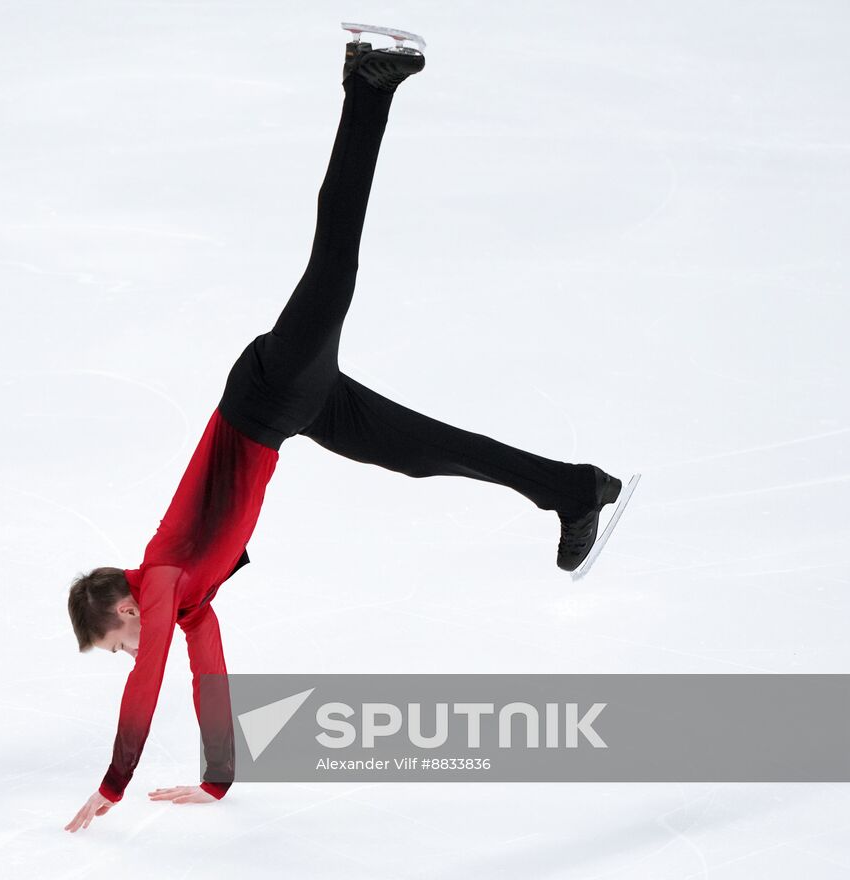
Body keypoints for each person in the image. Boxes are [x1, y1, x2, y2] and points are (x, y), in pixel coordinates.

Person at [63, 36, 624, 833]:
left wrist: (114, 784)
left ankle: (370, 81)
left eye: (117, 642)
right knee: (425, 455)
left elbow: (147, 678)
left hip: (269, 392)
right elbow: (206, 677)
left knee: (337, 251)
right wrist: (217, 781)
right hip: (293, 409)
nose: (129, 648)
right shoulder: (189, 603)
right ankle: (576, 489)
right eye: (124, 646)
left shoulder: (158, 581)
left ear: (122, 608)